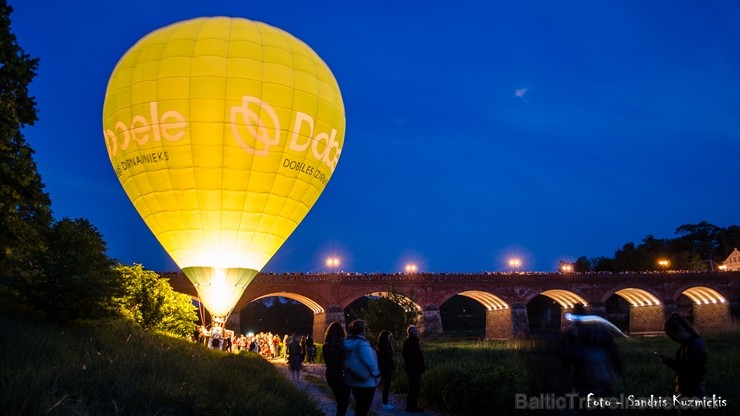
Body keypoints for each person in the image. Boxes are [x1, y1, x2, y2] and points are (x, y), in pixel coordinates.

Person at [561, 305, 622, 414]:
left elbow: (567, 360)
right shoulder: (602, 333)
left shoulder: (575, 336)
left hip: (583, 389)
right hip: (604, 387)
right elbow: (615, 357)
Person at [656, 313, 708, 398]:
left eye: (672, 336)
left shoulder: (693, 345)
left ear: (680, 330)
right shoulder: (693, 343)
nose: (672, 339)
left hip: (691, 394)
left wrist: (670, 362)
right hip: (690, 393)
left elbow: (691, 373)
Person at [343, 319, 380, 416]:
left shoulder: (347, 343)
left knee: (359, 408)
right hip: (366, 381)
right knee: (363, 409)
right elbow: (370, 362)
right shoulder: (362, 344)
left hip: (353, 380)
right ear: (362, 330)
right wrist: (377, 375)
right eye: (365, 329)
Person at [323, 322, 351, 416]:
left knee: (340, 401)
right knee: (344, 402)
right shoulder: (341, 345)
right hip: (341, 375)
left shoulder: (325, 345)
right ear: (340, 332)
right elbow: (346, 361)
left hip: (330, 375)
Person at [402, 325, 426, 413]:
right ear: (413, 332)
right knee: (415, 388)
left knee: (411, 388)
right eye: (416, 331)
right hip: (415, 369)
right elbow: (417, 357)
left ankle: (409, 406)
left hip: (409, 368)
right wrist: (421, 367)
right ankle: (413, 407)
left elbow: (404, 355)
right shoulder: (414, 342)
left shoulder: (406, 341)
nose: (417, 332)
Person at [376, 330, 395, 410]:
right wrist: (392, 364)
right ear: (386, 337)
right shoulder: (386, 345)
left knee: (385, 385)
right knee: (386, 385)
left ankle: (385, 402)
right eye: (389, 336)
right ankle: (385, 402)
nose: (390, 337)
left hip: (383, 367)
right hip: (387, 367)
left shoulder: (380, 345)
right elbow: (388, 357)